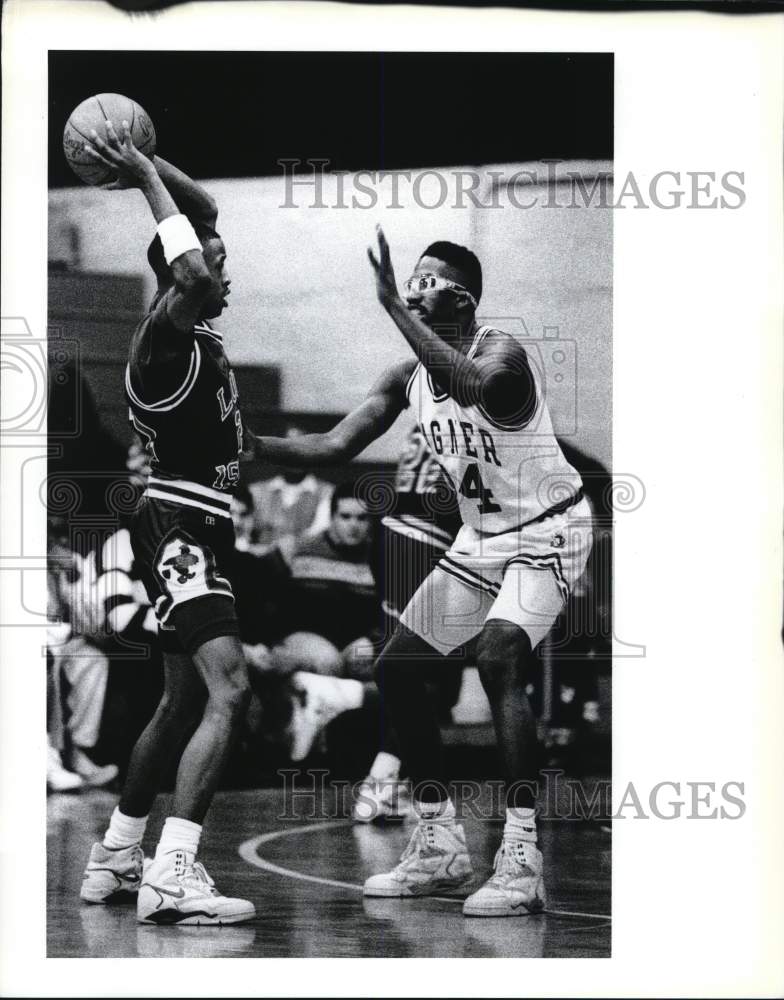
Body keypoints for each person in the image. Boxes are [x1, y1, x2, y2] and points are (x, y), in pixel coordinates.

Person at [256, 228, 592, 917]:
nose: (413, 285)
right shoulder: (404, 377)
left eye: (427, 278)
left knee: (499, 658)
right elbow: (333, 443)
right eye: (408, 277)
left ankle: (522, 856)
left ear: (462, 297)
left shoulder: (501, 353)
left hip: (552, 528)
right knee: (399, 668)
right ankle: (440, 845)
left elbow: (470, 383)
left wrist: (393, 309)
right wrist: (237, 440)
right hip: (482, 536)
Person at [79, 122, 254, 925]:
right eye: (214, 267)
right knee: (231, 686)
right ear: (180, 282)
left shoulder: (197, 331)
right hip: (178, 526)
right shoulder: (160, 338)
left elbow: (205, 212)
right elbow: (187, 253)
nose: (224, 271)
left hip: (194, 522)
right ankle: (174, 871)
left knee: (180, 699)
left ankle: (115, 853)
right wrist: (144, 177)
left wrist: (152, 166)